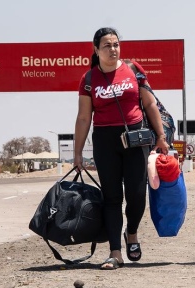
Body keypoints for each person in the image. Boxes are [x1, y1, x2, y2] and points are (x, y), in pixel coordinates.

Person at [74, 27, 169, 270]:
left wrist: (160, 136)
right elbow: (84, 118)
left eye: (116, 44)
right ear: (96, 50)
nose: (113, 49)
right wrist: (77, 153)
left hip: (136, 139)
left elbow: (149, 103)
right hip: (105, 141)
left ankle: (132, 232)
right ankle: (115, 252)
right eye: (107, 45)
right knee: (112, 197)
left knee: (137, 194)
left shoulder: (134, 69)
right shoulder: (88, 79)